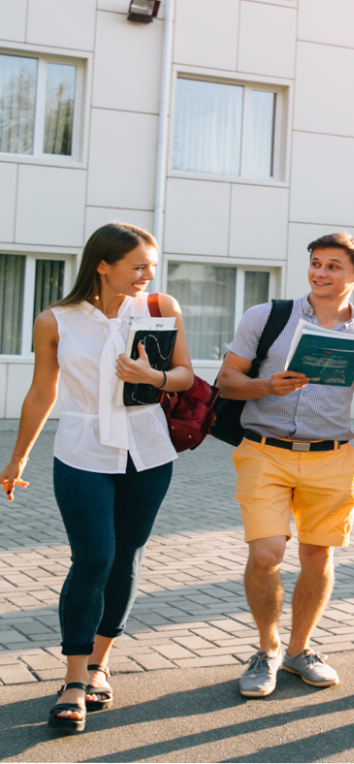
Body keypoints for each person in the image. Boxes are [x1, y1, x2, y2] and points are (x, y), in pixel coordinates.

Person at [1, 223, 194, 732]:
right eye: (138, 265)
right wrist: (18, 457)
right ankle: (71, 678)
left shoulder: (160, 308)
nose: (147, 275)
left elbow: (185, 375)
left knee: (126, 557)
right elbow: (42, 393)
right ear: (102, 264)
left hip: (148, 450)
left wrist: (151, 378)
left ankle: (99, 665)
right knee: (93, 558)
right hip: (82, 450)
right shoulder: (55, 321)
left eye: (151, 265)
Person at [215, 233, 354, 698]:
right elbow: (227, 381)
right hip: (263, 451)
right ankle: (266, 648)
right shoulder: (267, 317)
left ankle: (299, 650)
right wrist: (266, 387)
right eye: (316, 263)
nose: (320, 273)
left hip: (332, 458)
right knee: (266, 554)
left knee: (318, 556)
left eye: (334, 266)